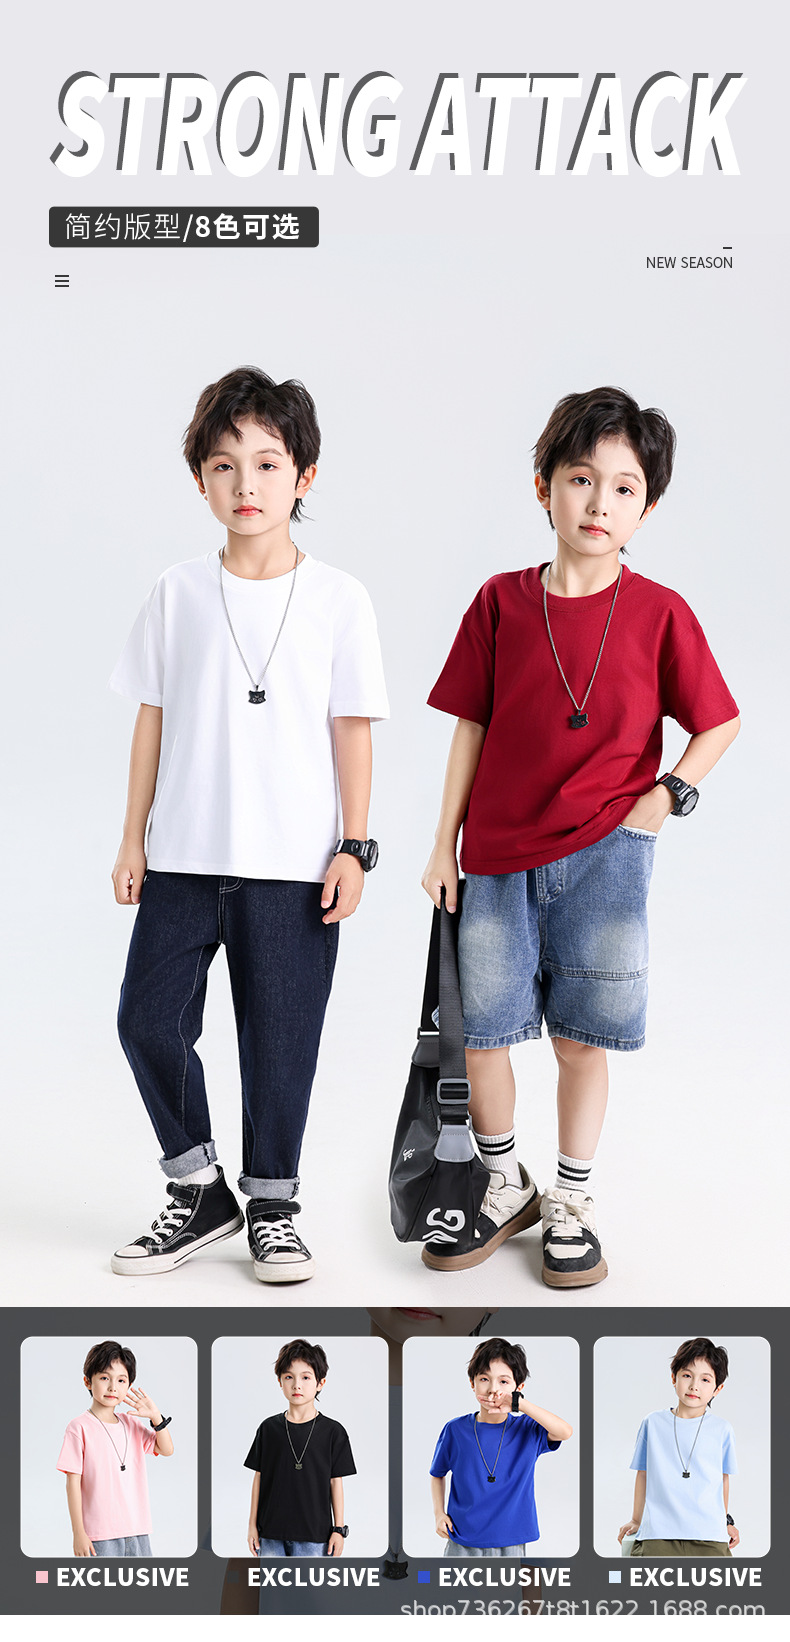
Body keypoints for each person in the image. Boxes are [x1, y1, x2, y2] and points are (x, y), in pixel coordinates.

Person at [422, 386, 740, 1285]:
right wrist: (441, 844)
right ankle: (503, 1184)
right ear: (544, 488)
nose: (600, 503)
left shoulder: (661, 612)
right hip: (496, 856)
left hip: (607, 858)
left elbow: (718, 721)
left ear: (647, 507)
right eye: (580, 479)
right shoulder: (500, 603)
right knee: (484, 1034)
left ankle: (571, 1198)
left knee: (580, 1039)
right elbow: (471, 726)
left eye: (624, 488)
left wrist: (666, 798)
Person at [109, 367, 388, 1283]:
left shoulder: (340, 598)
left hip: (294, 866)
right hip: (184, 858)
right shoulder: (177, 591)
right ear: (200, 478)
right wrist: (132, 837)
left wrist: (354, 845)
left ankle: (272, 1206)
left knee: (280, 1049)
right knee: (146, 1020)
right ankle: (200, 1189)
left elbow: (352, 728)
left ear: (304, 476)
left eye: (267, 464)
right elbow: (151, 719)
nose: (246, 484)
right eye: (224, 465)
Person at [429, 1337, 571, 1556]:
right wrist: (439, 1514)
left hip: (511, 1540)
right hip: (462, 1537)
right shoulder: (455, 1430)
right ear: (472, 1383)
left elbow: (565, 1431)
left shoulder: (528, 1428)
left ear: (518, 1387)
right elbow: (437, 1474)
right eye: (484, 1379)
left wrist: (519, 1404)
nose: (493, 1389)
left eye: (504, 1382)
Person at [618, 1337, 739, 1557]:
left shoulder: (722, 1429)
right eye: (687, 1375)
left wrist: (725, 1521)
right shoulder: (652, 1423)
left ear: (718, 1388)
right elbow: (643, 1474)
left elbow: (722, 1479)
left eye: (705, 1379)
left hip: (709, 1535)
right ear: (673, 1378)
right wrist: (636, 1519)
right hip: (658, 1534)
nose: (694, 1386)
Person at [57, 1339, 173, 1557]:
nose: (113, 1387)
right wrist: (78, 1533)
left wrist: (156, 1417)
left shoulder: (130, 1423)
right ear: (87, 1381)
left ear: (129, 1385)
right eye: (104, 1378)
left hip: (137, 1531)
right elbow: (72, 1484)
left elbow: (166, 1449)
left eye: (121, 1380)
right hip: (100, 1535)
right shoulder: (79, 1427)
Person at [245, 1339, 355, 1557]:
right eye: (289, 1377)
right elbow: (259, 1478)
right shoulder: (268, 1428)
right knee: (271, 1581)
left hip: (315, 1536)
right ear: (280, 1381)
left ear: (320, 1383)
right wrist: (251, 1526)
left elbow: (336, 1482)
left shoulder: (333, 1432)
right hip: (270, 1533)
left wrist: (338, 1529)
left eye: (305, 1377)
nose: (297, 1385)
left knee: (309, 1581)